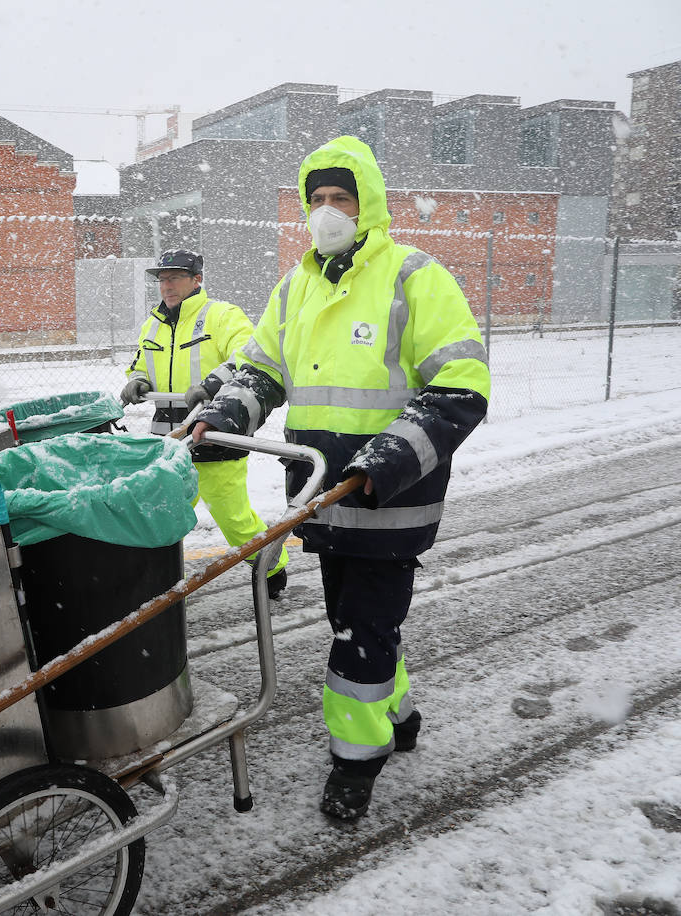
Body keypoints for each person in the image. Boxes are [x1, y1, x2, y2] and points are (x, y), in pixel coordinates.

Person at [190, 136, 491, 822]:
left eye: (340, 198)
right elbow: (261, 368)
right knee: (360, 626)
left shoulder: (415, 277)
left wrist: (389, 458)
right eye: (317, 199)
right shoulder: (296, 286)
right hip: (321, 498)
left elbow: (461, 386)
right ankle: (401, 712)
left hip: (389, 500)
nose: (326, 211)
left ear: (369, 206)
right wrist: (227, 409)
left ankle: (357, 761)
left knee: (358, 633)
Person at [120, 248, 289, 598]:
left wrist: (211, 385)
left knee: (234, 520)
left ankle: (272, 565)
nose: (167, 285)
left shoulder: (222, 316)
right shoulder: (152, 323)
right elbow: (141, 363)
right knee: (161, 517)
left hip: (215, 434)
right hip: (167, 439)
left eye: (175, 277)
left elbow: (248, 357)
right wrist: (137, 379)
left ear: (197, 279)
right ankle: (157, 585)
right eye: (162, 280)